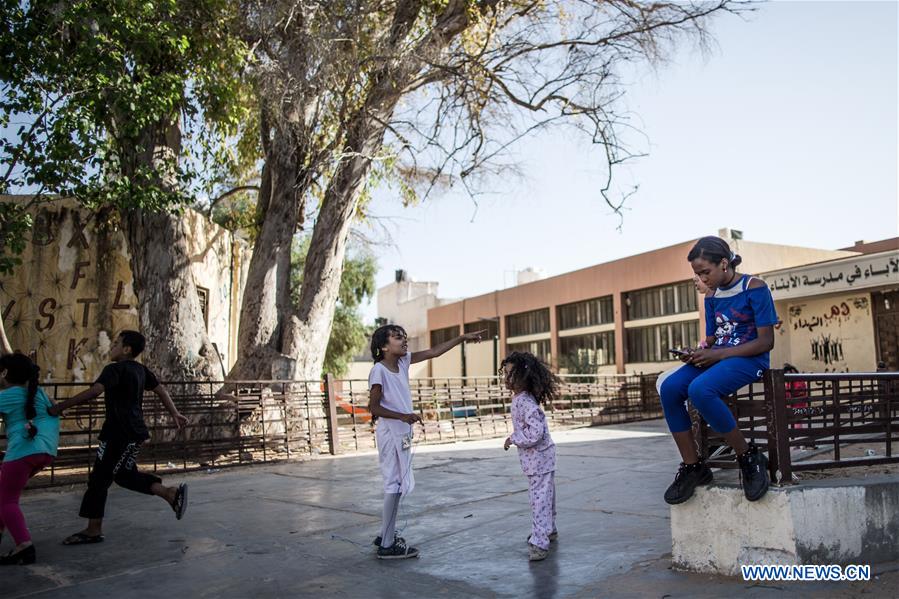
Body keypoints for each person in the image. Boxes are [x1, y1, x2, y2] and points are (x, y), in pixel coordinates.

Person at [658, 236, 778, 504]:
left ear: (724, 263)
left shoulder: (755, 288)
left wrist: (716, 354)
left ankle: (748, 456)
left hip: (750, 359)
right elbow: (713, 338)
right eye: (697, 273)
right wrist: (696, 352)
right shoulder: (711, 297)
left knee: (701, 389)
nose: (702, 278)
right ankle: (694, 467)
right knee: (670, 388)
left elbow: (766, 341)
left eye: (705, 272)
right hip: (719, 357)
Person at [49, 330, 189, 544]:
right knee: (113, 476)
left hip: (118, 433)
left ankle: (168, 494)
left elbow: (95, 392)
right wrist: (174, 412)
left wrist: (61, 406)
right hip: (132, 432)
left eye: (116, 343)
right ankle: (167, 495)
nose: (112, 346)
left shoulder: (114, 369)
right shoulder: (141, 370)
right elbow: (161, 391)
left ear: (126, 349)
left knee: (108, 477)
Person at [367, 324, 485, 559]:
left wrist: (461, 338)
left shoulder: (402, 363)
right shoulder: (378, 371)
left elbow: (433, 352)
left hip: (402, 432)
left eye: (405, 337)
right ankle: (387, 545)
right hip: (390, 433)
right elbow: (373, 407)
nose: (404, 340)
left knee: (399, 483)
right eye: (397, 337)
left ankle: (385, 534)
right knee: (394, 484)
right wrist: (402, 415)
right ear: (383, 346)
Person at [0, 352, 59, 565]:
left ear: (5, 372)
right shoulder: (38, 393)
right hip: (45, 451)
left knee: (6, 499)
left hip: (23, 451)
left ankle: (24, 546)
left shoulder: (9, 394)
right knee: (4, 495)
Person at [502, 351, 559, 562]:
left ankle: (539, 541)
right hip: (540, 458)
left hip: (539, 460)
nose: (505, 379)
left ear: (523, 377)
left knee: (539, 500)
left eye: (510, 374)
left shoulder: (525, 402)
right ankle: (549, 530)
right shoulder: (521, 399)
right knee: (545, 496)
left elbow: (536, 433)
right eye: (504, 373)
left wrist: (514, 438)